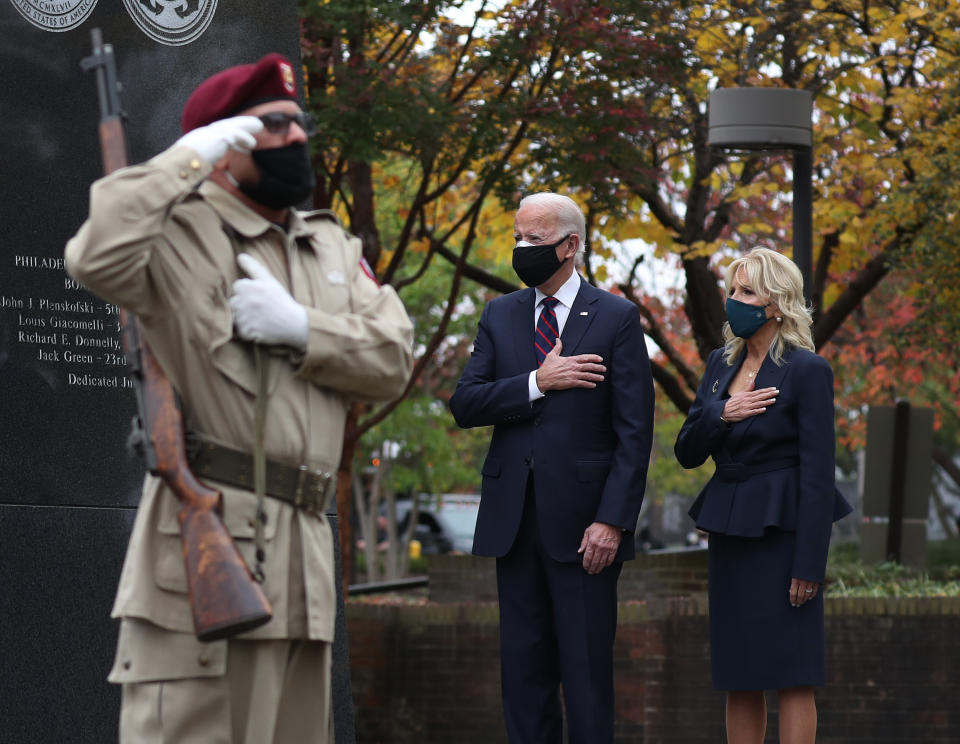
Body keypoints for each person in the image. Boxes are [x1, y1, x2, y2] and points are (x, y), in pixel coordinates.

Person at [65, 53, 413, 743]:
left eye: (299, 122)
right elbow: (94, 254)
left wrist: (302, 328)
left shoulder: (331, 249)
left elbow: (393, 359)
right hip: (210, 554)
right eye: (272, 125)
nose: (295, 138)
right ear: (225, 147)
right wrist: (183, 161)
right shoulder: (177, 235)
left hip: (305, 568)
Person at [449, 192, 654, 743]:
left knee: (586, 680)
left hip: (587, 530)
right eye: (517, 236)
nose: (521, 248)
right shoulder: (500, 314)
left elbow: (635, 433)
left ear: (570, 245)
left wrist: (612, 520)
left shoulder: (616, 317)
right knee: (523, 676)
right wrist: (541, 381)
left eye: (534, 239)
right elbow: (466, 403)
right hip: (513, 526)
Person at [674, 247, 852, 744]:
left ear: (778, 303)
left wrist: (809, 564)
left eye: (747, 292)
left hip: (785, 538)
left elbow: (818, 474)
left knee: (793, 672)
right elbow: (687, 451)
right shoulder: (718, 365)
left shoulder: (807, 369)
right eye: (733, 291)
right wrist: (722, 413)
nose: (735, 301)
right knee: (739, 672)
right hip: (731, 534)